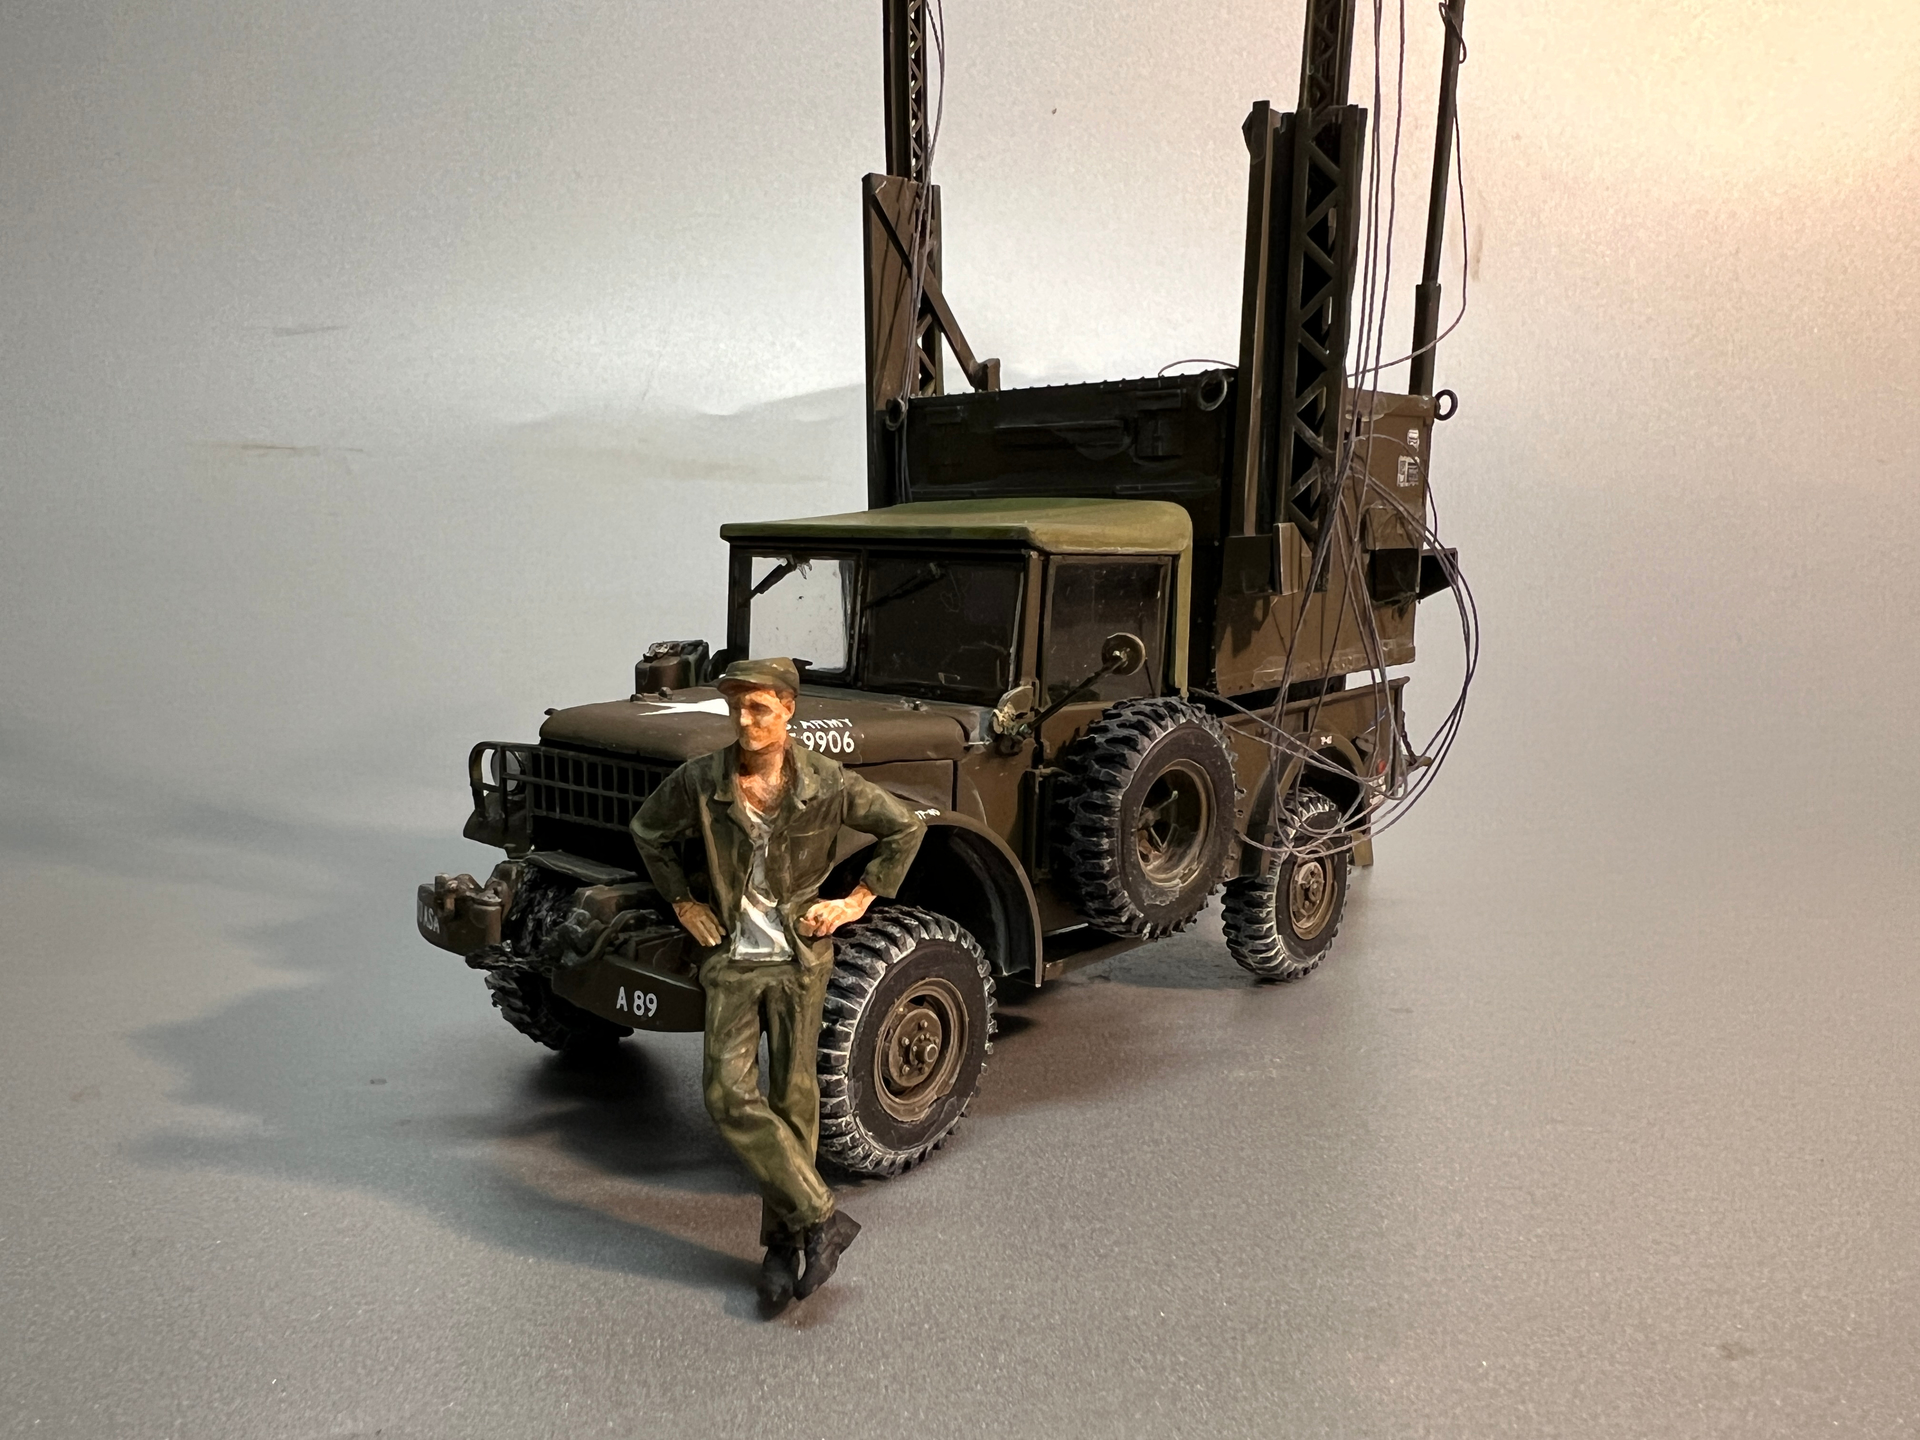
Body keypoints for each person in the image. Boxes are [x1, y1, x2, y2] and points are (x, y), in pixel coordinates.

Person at [628, 656, 926, 1309]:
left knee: (794, 1100)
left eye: (759, 708)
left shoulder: (827, 782)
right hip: (731, 957)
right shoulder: (702, 780)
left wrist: (855, 902)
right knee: (727, 1095)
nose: (745, 721)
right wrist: (682, 901)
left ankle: (782, 1246)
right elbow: (647, 830)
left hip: (799, 959)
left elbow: (905, 828)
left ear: (788, 709)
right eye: (736, 708)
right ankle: (822, 1218)